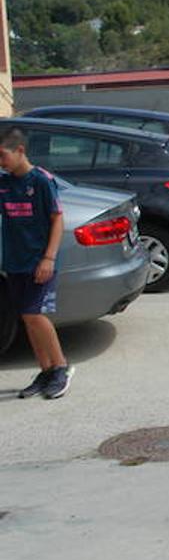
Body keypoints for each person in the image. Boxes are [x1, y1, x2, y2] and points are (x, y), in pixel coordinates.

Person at [0, 129, 72, 400]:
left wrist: (49, 258)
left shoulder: (42, 181)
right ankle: (45, 371)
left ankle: (61, 368)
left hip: (40, 261)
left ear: (20, 150)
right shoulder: (4, 183)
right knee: (27, 319)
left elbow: (57, 220)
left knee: (34, 315)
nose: (1, 162)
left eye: (3, 156)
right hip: (15, 261)